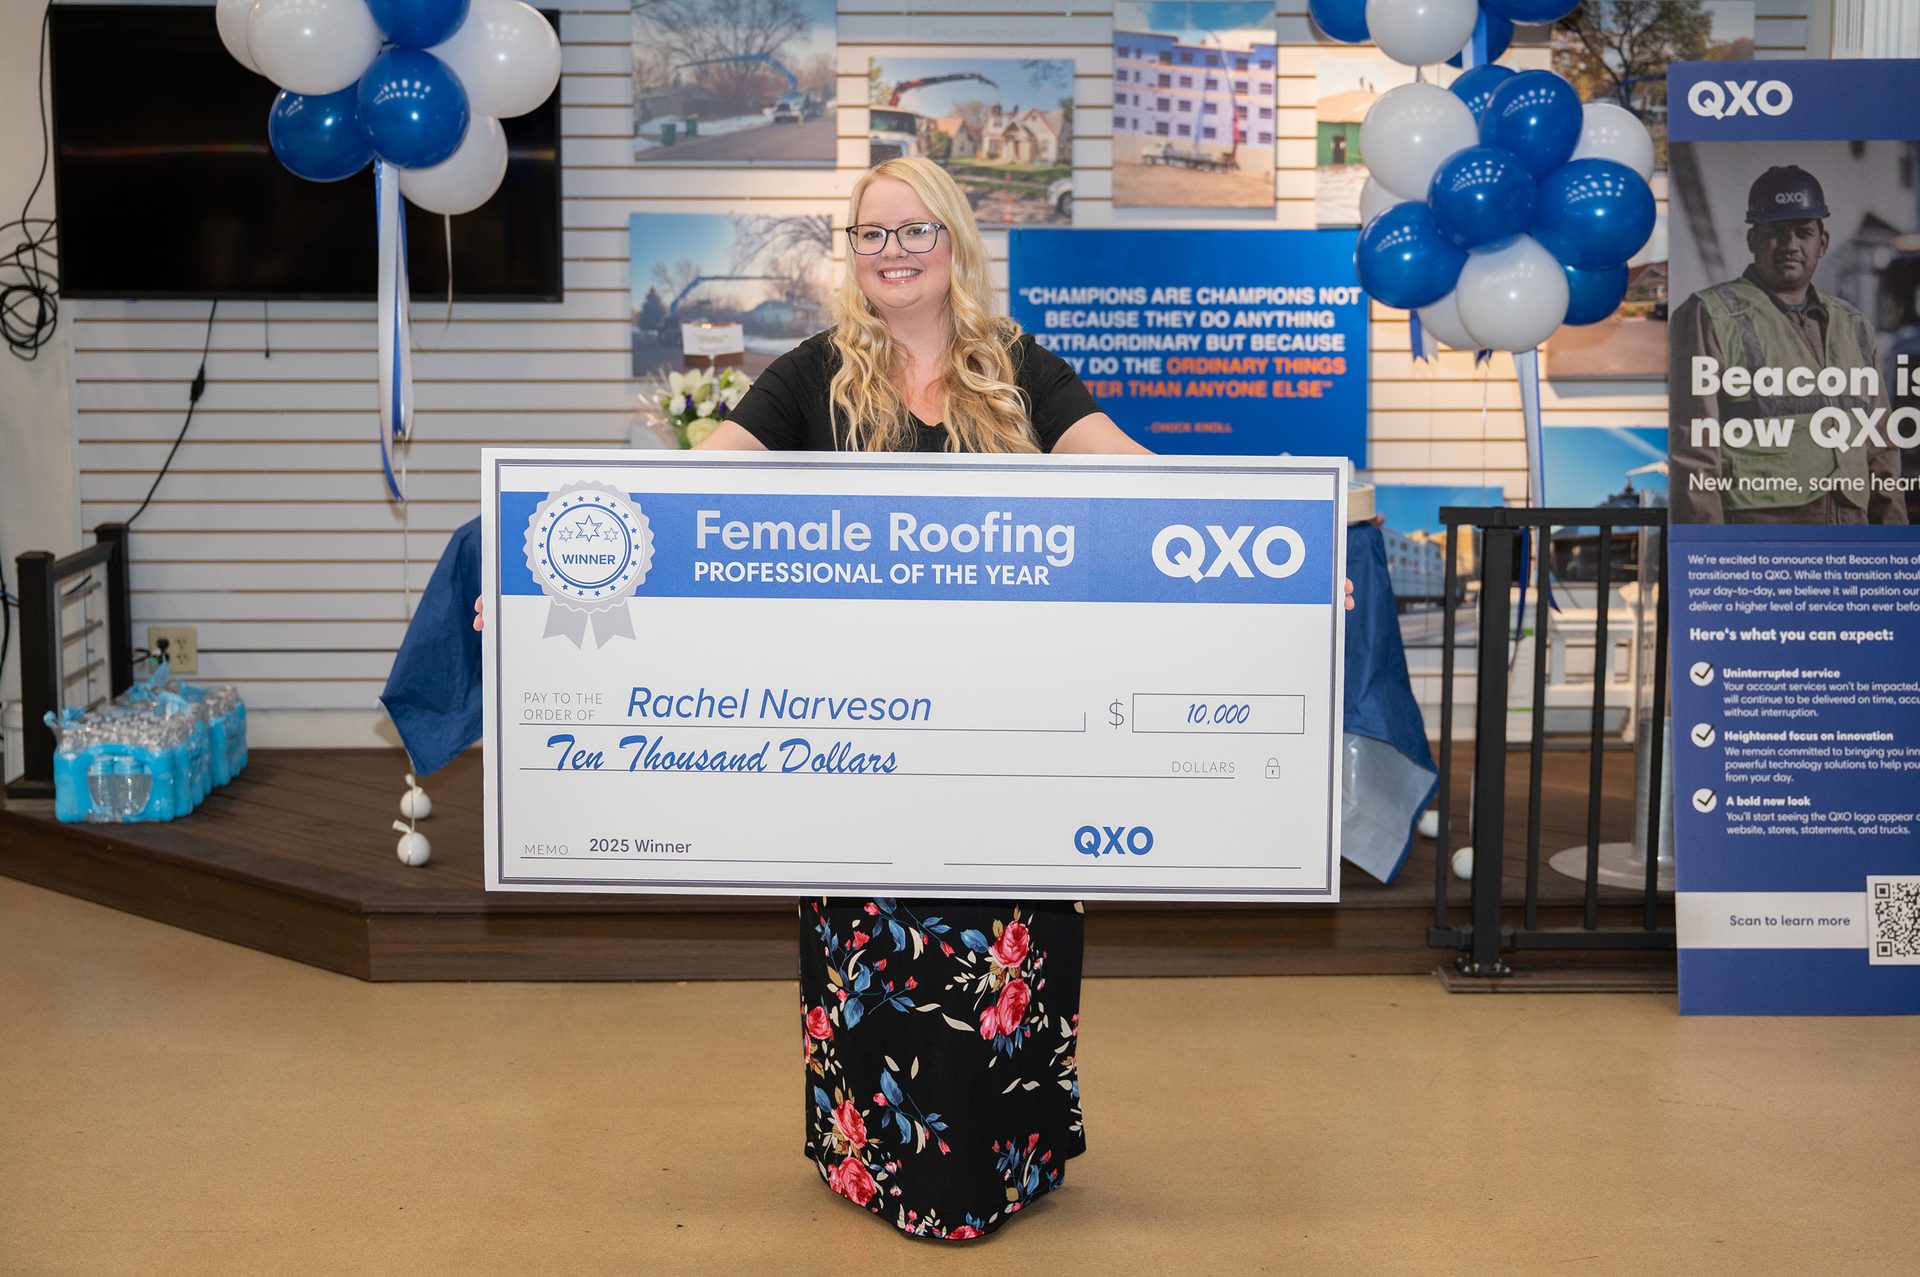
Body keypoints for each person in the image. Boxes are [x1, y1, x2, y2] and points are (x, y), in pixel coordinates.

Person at [1669, 164, 1906, 524]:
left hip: (1849, 526)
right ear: (1753, 240)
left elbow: (1881, 448)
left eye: (1803, 232)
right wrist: (1708, 552)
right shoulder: (1708, 315)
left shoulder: (1854, 325)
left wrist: (1892, 541)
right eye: (1776, 232)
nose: (1790, 244)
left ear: (1822, 243)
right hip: (1764, 529)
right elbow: (1694, 450)